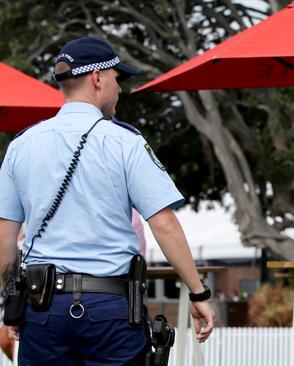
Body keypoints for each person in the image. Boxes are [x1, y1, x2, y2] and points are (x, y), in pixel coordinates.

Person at [0, 37, 215, 365]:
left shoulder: (22, 145)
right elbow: (164, 224)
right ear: (97, 78)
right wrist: (197, 292)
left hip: (43, 310)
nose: (120, 89)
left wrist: (11, 302)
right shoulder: (125, 142)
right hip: (110, 309)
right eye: (117, 79)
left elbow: (4, 237)